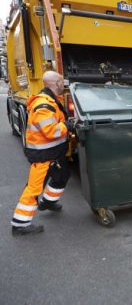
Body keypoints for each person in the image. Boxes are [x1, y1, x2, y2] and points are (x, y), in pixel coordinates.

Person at [11, 71, 74, 236]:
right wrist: (68, 125)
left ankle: (48, 202)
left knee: (62, 175)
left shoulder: (51, 100)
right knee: (33, 189)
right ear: (56, 83)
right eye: (62, 82)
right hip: (43, 156)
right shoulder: (43, 105)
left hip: (52, 153)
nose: (64, 85)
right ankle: (20, 224)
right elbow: (51, 131)